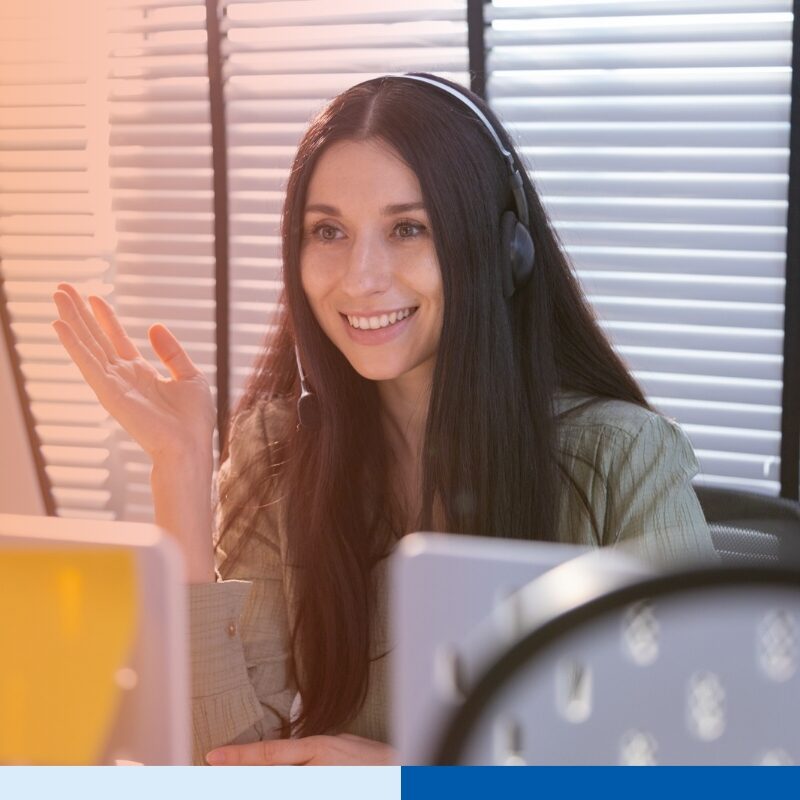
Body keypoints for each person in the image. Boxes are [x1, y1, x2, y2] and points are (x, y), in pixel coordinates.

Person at [51, 73, 718, 767]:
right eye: (328, 231)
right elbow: (226, 766)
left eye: (408, 228)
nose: (360, 277)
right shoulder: (276, 454)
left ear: (502, 250)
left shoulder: (622, 458)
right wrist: (180, 469)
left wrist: (416, 779)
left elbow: (699, 768)